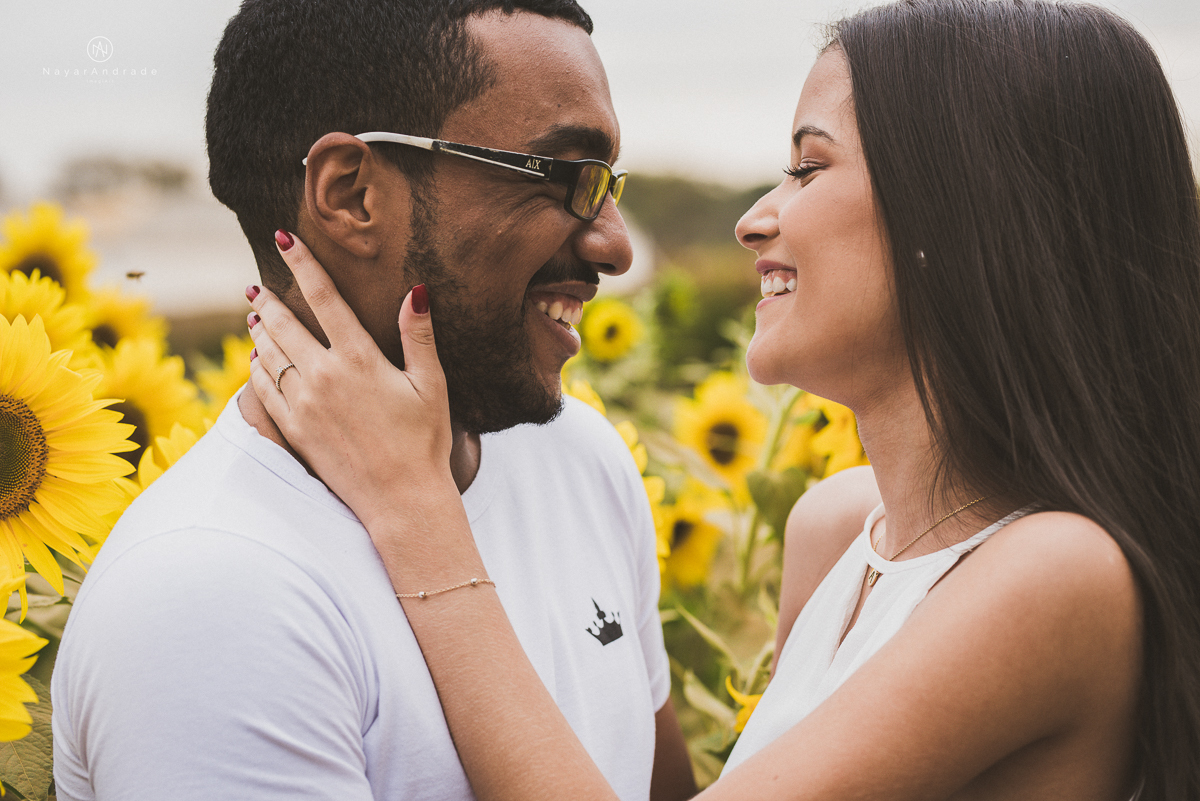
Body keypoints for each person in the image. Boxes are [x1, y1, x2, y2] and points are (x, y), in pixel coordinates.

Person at [244, 0, 1200, 797]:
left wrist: (416, 513)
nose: (755, 220)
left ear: (967, 214)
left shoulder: (1057, 575)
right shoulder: (836, 534)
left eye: (810, 166)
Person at [50, 2, 697, 799]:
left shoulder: (584, 460)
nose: (616, 243)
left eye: (607, 183)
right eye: (566, 178)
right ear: (353, 194)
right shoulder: (212, 596)